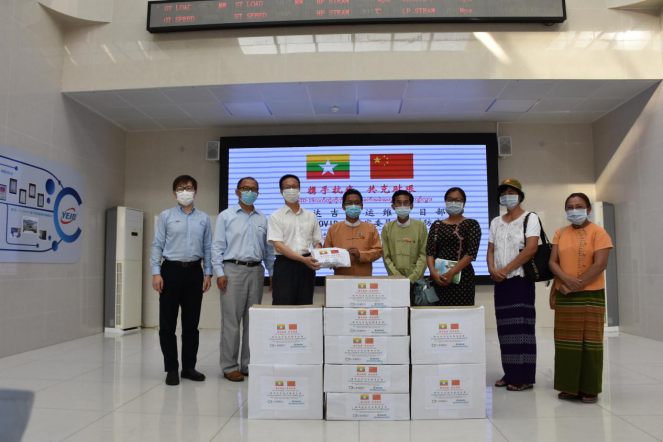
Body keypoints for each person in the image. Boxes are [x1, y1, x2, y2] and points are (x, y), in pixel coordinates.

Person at [550, 193, 613, 404]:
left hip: (590, 294)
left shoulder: (599, 232)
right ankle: (568, 387)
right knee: (565, 342)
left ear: (588, 210)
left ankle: (589, 388)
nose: (574, 210)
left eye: (579, 206)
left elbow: (600, 264)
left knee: (590, 342)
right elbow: (552, 262)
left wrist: (574, 284)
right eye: (570, 207)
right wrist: (566, 281)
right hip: (565, 294)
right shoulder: (560, 232)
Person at [151, 175, 212, 386]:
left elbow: (207, 247)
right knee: (167, 324)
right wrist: (156, 272)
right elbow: (157, 245)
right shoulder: (166, 216)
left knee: (191, 325)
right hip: (170, 271)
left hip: (194, 271)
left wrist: (208, 273)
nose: (185, 191)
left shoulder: (203, 218)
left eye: (189, 188)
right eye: (181, 188)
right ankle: (171, 369)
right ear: (174, 192)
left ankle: (188, 367)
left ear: (196, 191)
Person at [212, 177, 275, 383]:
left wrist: (272, 273)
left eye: (254, 189)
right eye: (246, 188)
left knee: (253, 321)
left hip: (256, 271)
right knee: (231, 321)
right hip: (232, 270)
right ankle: (229, 366)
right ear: (237, 192)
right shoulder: (226, 216)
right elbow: (217, 246)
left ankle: (248, 364)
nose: (250, 192)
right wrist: (219, 272)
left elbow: (268, 250)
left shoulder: (262, 218)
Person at [487, 178, 540, 392]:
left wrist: (506, 270)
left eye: (511, 193)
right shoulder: (496, 222)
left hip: (520, 280)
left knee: (522, 328)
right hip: (500, 282)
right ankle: (510, 373)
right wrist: (492, 270)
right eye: (503, 194)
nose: (507, 197)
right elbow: (491, 250)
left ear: (520, 196)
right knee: (505, 329)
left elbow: (531, 249)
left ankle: (524, 377)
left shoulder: (530, 218)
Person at [268, 174, 323, 305]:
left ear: (299, 189)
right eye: (287, 187)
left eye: (294, 186)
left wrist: (315, 257)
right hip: (285, 265)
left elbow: (317, 242)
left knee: (305, 304)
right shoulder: (275, 216)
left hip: (307, 266)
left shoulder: (311, 216)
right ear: (281, 191)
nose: (291, 190)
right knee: (283, 305)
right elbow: (278, 245)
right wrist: (303, 260)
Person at [426, 187, 482, 306]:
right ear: (445, 202)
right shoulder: (436, 225)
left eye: (458, 200)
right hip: (439, 278)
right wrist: (433, 273)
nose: (453, 203)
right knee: (439, 315)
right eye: (450, 200)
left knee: (462, 315)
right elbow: (429, 252)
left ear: (464, 203)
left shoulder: (471, 224)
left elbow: (471, 254)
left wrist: (451, 272)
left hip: (463, 279)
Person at [381, 190, 428, 303]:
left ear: (411, 206)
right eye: (399, 203)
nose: (402, 206)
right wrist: (399, 279)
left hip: (417, 283)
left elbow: (424, 254)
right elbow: (386, 257)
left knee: (417, 312)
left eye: (406, 202)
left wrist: (412, 279)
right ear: (393, 206)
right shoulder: (387, 228)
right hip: (394, 282)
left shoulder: (420, 226)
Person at [323, 189, 382, 276]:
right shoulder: (333, 229)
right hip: (341, 277)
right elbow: (326, 252)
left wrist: (360, 255)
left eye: (357, 203)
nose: (353, 206)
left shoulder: (371, 228)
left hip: (364, 278)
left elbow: (378, 251)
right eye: (349, 203)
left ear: (361, 206)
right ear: (343, 206)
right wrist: (332, 261)